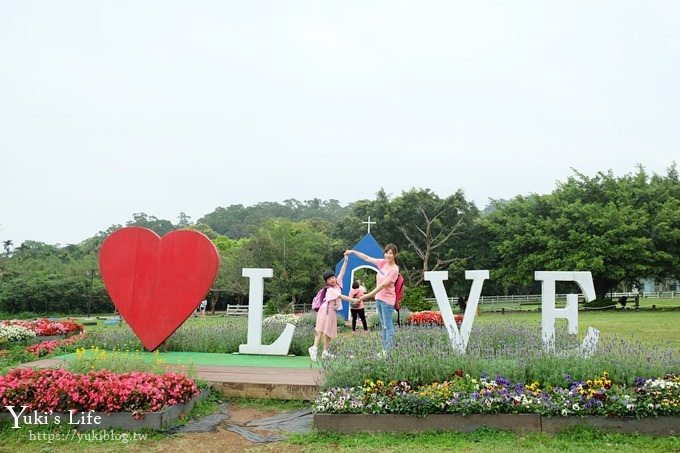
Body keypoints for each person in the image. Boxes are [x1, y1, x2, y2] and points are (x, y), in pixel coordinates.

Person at [345, 244, 400, 353]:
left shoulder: (394, 269)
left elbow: (383, 285)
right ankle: (385, 350)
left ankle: (387, 352)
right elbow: (367, 258)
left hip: (387, 301)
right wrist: (352, 252)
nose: (388, 255)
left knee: (388, 326)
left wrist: (367, 295)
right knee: (383, 325)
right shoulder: (383, 263)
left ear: (395, 255)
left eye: (390, 253)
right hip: (379, 299)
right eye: (386, 252)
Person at [308, 255, 358, 361]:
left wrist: (345, 261)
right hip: (325, 309)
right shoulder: (330, 289)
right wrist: (353, 300)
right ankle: (314, 348)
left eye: (333, 277)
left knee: (329, 331)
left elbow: (342, 273)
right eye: (329, 279)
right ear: (326, 281)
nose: (332, 280)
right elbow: (340, 296)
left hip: (331, 311)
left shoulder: (337, 284)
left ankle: (325, 352)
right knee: (321, 329)